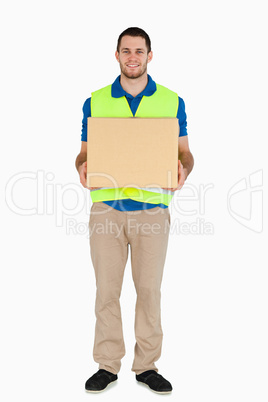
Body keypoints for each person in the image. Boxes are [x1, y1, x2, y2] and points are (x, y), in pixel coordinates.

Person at [75, 27, 194, 394]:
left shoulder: (172, 101)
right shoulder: (95, 101)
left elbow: (185, 151)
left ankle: (146, 366)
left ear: (149, 56)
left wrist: (183, 168)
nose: (132, 56)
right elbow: (83, 152)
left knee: (149, 290)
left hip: (152, 211)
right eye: (126, 50)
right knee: (106, 291)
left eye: (139, 51)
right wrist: (81, 166)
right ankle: (107, 365)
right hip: (106, 210)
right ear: (117, 55)